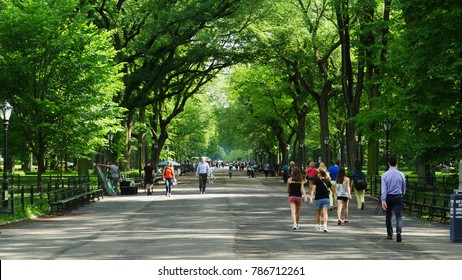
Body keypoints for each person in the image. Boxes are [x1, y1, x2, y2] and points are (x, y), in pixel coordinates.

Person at [381, 155, 406, 242]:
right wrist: (402, 193)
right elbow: (403, 187)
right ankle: (398, 231)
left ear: (388, 163)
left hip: (388, 196)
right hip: (398, 196)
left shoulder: (384, 175)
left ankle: (390, 234)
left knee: (388, 215)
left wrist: (383, 200)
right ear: (397, 163)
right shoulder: (401, 175)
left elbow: (384, 189)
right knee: (399, 216)